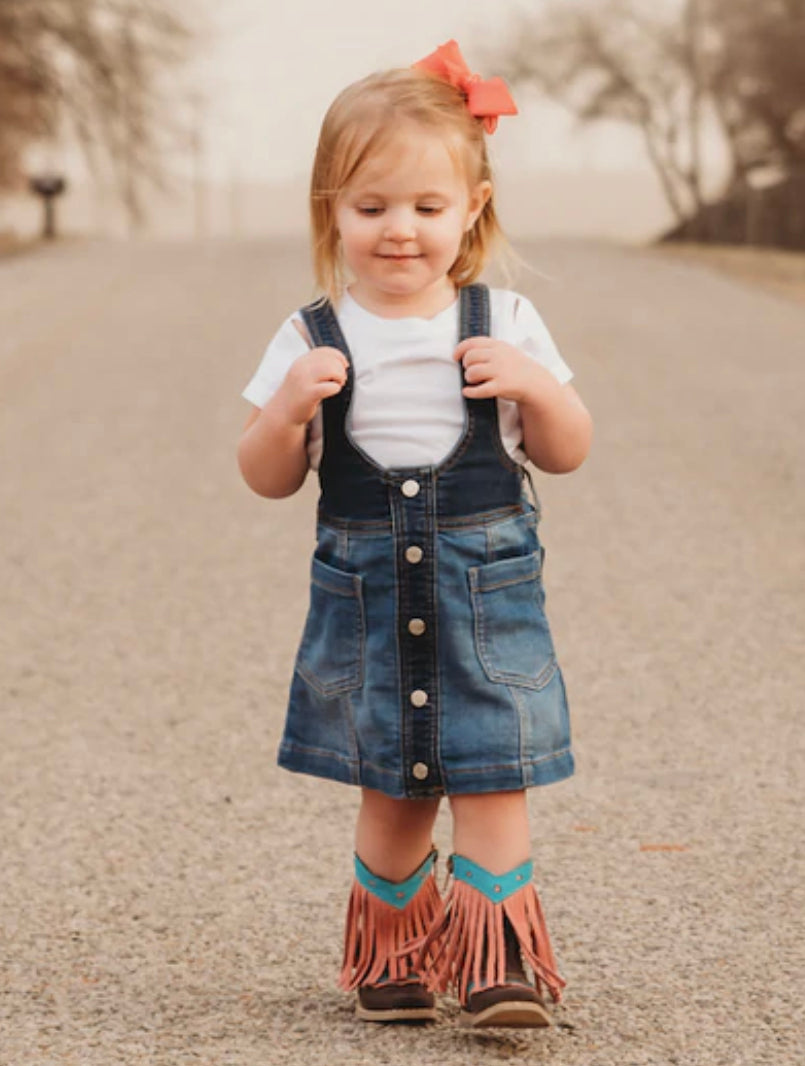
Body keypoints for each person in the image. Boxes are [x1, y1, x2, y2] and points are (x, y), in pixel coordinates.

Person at [237, 40, 592, 1030]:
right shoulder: (311, 336)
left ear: (471, 210)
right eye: (371, 207)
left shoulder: (505, 319)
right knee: (390, 784)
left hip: (484, 603)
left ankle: (496, 963)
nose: (400, 231)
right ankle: (391, 954)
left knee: (490, 773)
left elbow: (567, 449)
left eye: (427, 209)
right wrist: (282, 416)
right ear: (331, 211)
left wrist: (534, 386)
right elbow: (267, 478)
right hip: (367, 606)